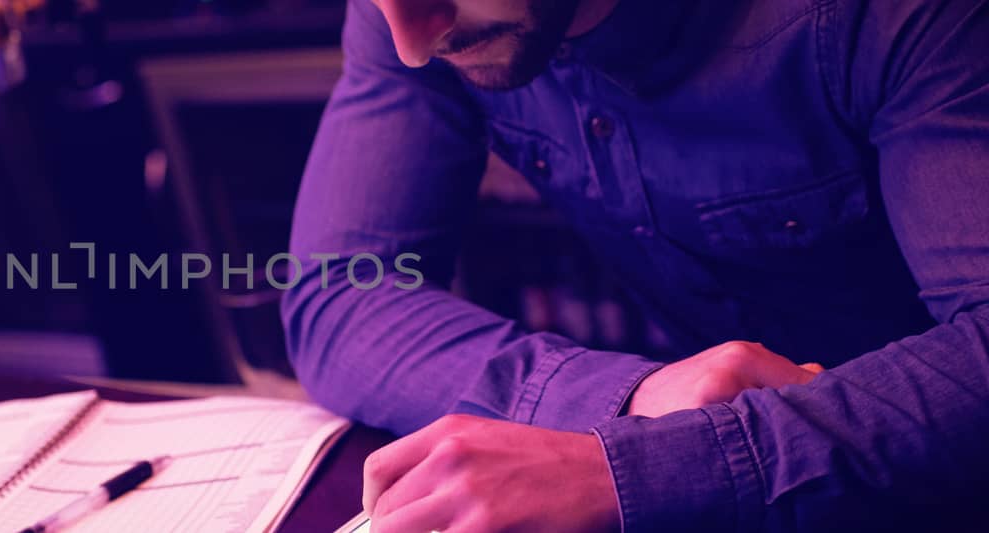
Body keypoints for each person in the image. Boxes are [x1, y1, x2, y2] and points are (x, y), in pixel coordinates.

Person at [282, 0, 989, 531]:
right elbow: (341, 289)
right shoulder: (413, 10)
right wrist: (630, 400)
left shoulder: (893, 14)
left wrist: (636, 468)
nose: (410, 41)